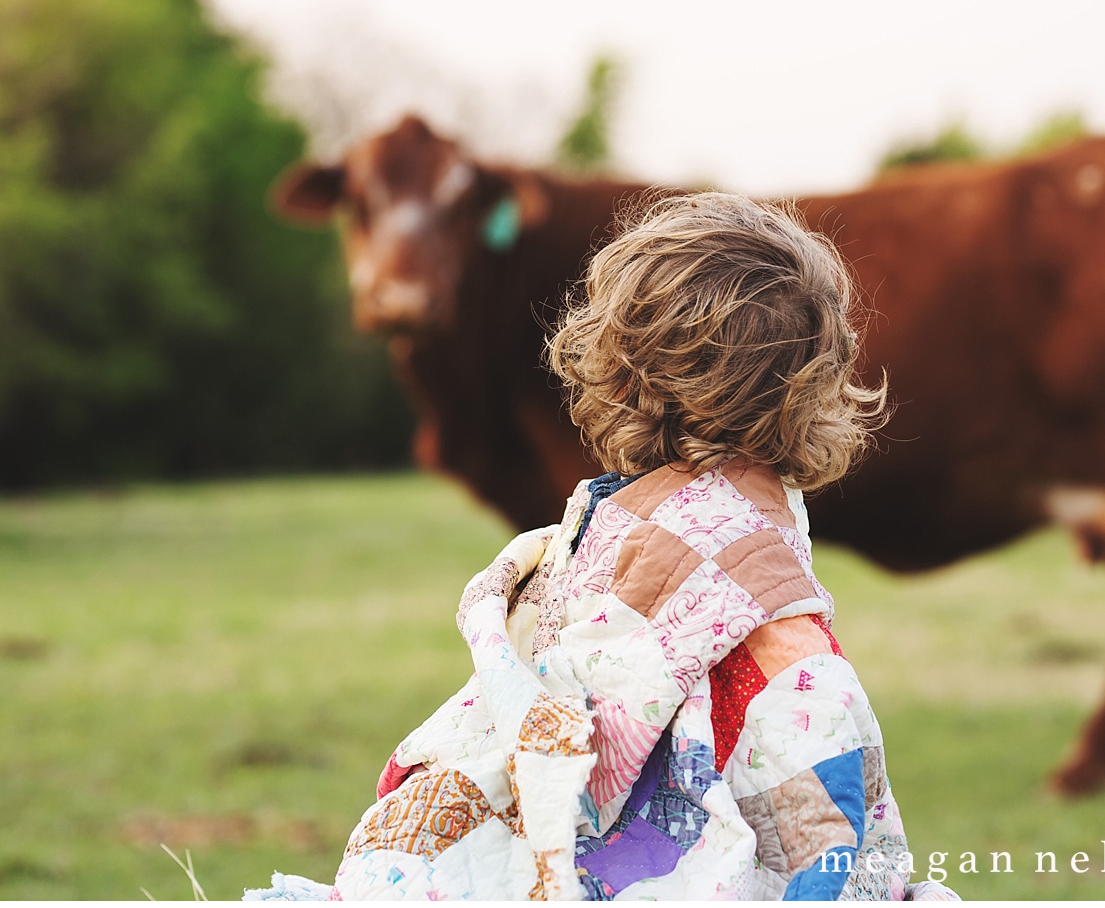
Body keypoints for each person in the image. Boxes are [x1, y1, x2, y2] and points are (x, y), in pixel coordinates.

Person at [246, 192, 957, 901]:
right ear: (817, 383)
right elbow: (819, 776)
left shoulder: (605, 525)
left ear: (619, 370)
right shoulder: (759, 568)